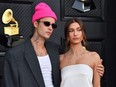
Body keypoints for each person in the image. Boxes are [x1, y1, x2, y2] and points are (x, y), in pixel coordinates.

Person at [1, 2, 104, 87]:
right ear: (36, 23)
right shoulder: (14, 55)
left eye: (53, 25)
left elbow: (75, 62)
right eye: (46, 23)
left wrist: (96, 68)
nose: (50, 27)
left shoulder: (55, 51)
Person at [60, 18, 103, 87]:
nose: (75, 34)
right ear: (67, 36)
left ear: (83, 34)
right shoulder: (61, 59)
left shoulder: (94, 57)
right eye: (71, 31)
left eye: (79, 30)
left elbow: (97, 85)